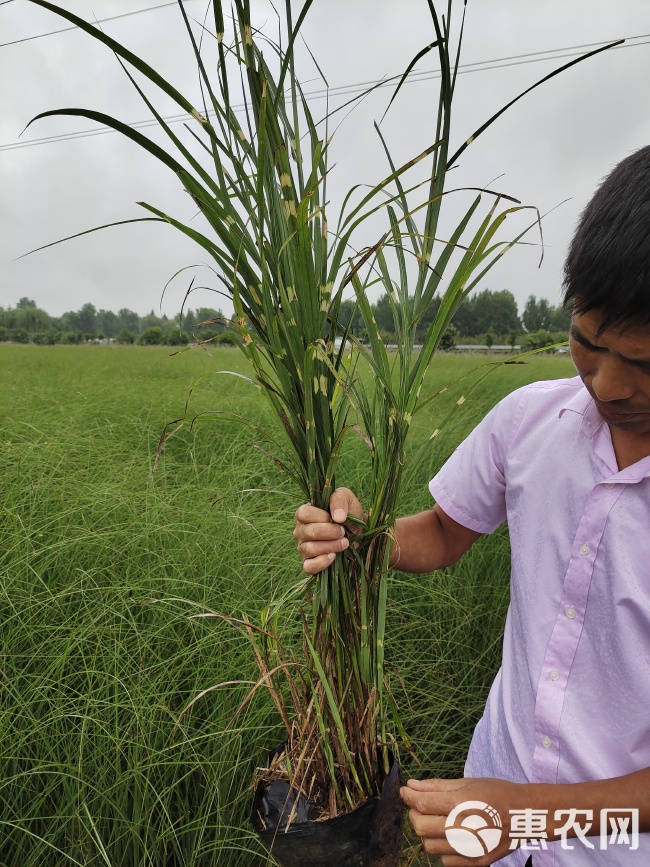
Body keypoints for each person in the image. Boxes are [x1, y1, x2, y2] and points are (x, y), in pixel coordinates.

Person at [293, 145, 650, 866]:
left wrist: (529, 816)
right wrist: (358, 539)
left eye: (644, 365)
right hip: (483, 811)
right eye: (586, 343)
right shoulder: (528, 421)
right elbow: (441, 534)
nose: (607, 386)